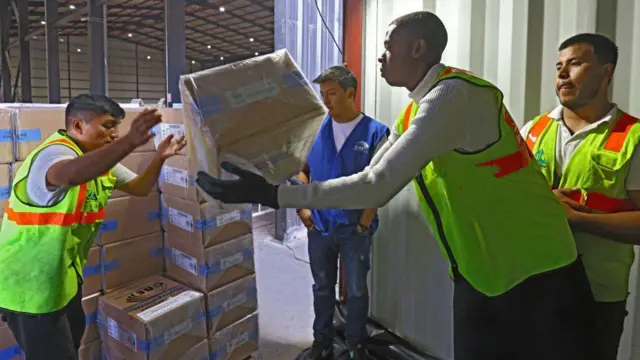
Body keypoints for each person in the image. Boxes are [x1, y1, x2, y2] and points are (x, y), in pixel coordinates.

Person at [196, 11, 595, 360]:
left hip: (539, 271)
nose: (380, 57)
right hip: (483, 274)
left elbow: (375, 184)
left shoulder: (453, 96)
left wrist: (274, 195)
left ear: (418, 48)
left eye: (388, 46)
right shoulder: (415, 113)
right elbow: (363, 172)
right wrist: (270, 166)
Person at [0, 94, 185, 360]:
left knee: (72, 340)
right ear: (77, 126)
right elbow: (70, 174)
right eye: (108, 126)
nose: (115, 134)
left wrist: (159, 158)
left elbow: (140, 187)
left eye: (118, 128)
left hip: (62, 280)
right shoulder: (54, 154)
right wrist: (129, 141)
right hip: (29, 286)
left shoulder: (100, 160)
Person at [523, 33, 640, 360]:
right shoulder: (533, 131)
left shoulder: (632, 137)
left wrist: (577, 219)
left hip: (596, 294)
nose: (562, 74)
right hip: (533, 284)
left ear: (607, 72)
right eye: (559, 66)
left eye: (575, 64)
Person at [296, 66, 389, 360]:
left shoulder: (376, 132)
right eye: (323, 94)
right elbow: (302, 171)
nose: (326, 100)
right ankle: (322, 342)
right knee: (322, 287)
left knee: (358, 291)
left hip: (355, 230)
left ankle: (355, 344)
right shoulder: (314, 129)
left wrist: (363, 222)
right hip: (320, 227)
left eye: (332, 93)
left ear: (351, 93)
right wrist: (302, 206)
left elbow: (381, 181)